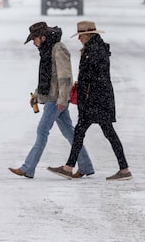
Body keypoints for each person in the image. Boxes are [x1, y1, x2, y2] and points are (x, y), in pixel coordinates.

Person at [47, 21, 132, 181]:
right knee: (88, 133)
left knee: (91, 133)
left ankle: (123, 169)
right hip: (98, 98)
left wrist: (82, 92)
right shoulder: (97, 48)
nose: (79, 38)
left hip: (94, 100)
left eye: (80, 35)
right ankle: (70, 167)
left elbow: (91, 77)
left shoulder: (93, 51)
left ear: (87, 35)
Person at [9, 21, 95, 179]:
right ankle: (86, 165)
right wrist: (36, 94)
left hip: (56, 100)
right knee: (70, 133)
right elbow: (47, 77)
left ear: (42, 37)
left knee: (42, 131)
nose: (34, 43)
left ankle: (28, 168)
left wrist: (62, 99)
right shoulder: (46, 50)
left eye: (34, 39)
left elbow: (65, 77)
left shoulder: (58, 48)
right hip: (52, 97)